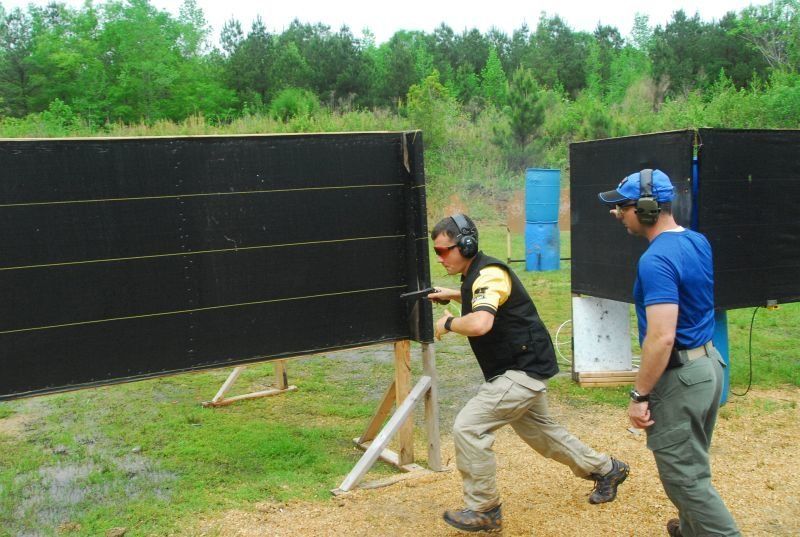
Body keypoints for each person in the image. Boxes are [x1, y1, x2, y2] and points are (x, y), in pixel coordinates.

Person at [428, 213, 629, 533]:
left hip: (520, 370)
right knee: (544, 437)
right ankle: (608, 469)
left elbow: (480, 323)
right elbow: (481, 296)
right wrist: (453, 293)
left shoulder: (490, 274)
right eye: (436, 252)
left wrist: (448, 324)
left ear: (465, 245)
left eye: (443, 251)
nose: (439, 258)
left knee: (468, 427)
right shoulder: (476, 276)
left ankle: (484, 509)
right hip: (524, 365)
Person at [598, 169, 740, 537]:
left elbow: (661, 337)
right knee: (691, 464)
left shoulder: (655, 260)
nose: (617, 214)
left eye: (623, 207)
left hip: (681, 377)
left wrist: (639, 394)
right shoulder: (696, 241)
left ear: (645, 209)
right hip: (708, 365)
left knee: (684, 479)